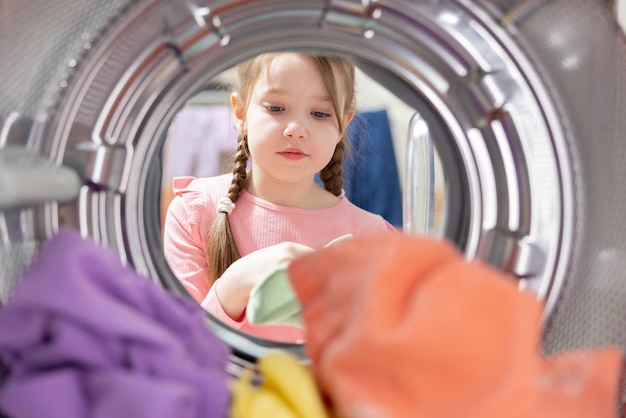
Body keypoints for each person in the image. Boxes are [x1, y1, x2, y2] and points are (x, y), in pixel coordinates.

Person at [163, 52, 398, 343]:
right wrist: (235, 284)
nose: (296, 130)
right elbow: (180, 349)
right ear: (240, 114)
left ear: (343, 124)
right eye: (276, 108)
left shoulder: (373, 238)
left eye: (320, 113)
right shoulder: (193, 211)